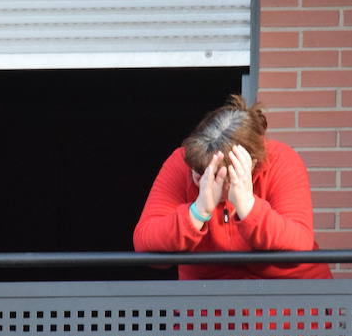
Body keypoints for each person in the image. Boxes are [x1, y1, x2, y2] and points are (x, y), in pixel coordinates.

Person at [133, 95, 330, 279]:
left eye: (214, 173)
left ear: (250, 164)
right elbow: (145, 241)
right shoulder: (180, 162)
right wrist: (199, 210)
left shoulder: (281, 160)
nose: (202, 179)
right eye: (199, 171)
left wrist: (247, 206)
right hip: (207, 307)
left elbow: (299, 244)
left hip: (289, 305)